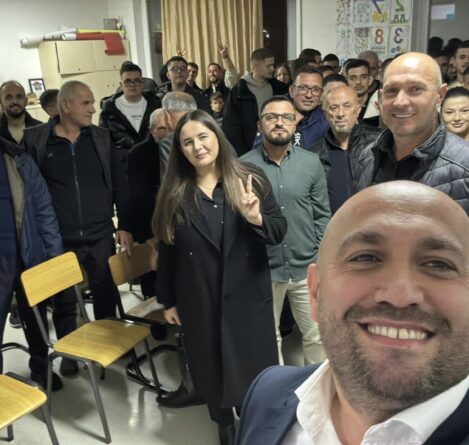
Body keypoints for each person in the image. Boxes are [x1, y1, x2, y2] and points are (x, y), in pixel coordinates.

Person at [236, 181, 469, 445]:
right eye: (365, 258)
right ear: (316, 291)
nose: (400, 295)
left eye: (439, 264)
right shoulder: (266, 393)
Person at [153, 109, 286, 444]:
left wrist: (256, 218)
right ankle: (224, 424)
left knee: (253, 371)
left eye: (203, 137)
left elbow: (278, 231)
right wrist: (167, 300)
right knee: (211, 368)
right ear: (180, 150)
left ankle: (253, 421)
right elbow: (168, 251)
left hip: (248, 297)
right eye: (187, 142)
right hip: (199, 297)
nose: (197, 147)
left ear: (217, 137)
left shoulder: (249, 178)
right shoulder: (175, 193)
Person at [23, 80, 133, 326]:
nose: (93, 109)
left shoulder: (101, 138)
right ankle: (69, 348)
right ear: (65, 105)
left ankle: (107, 341)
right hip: (58, 238)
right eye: (86, 103)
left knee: (106, 294)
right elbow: (28, 193)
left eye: (92, 103)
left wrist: (125, 225)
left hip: (100, 234)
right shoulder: (36, 140)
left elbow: (119, 183)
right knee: (64, 301)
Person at [241, 96, 330, 365]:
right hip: (263, 270)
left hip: (306, 267)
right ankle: (277, 387)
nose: (279, 123)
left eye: (287, 117)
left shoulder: (311, 163)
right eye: (271, 117)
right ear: (260, 125)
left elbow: (322, 215)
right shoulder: (243, 166)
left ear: (294, 124)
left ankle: (315, 386)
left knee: (316, 336)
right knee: (269, 339)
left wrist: (318, 256)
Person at [353, 52, 469, 213]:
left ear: (440, 95)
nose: (400, 102)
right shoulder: (368, 158)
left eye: (415, 89)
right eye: (392, 90)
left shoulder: (464, 166)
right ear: (380, 98)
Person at [0, 136, 64, 390]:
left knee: (36, 320)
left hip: (27, 255)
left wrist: (55, 255)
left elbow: (44, 210)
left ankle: (41, 367)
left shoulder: (19, 159)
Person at [311, 85, 380, 213]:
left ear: (358, 110)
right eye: (333, 108)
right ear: (326, 114)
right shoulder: (314, 154)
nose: (340, 114)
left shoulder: (379, 144)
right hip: (332, 224)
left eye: (347, 106)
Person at [223, 48, 288, 155]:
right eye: (268, 66)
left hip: (278, 147)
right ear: (255, 67)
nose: (273, 69)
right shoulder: (238, 91)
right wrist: (243, 154)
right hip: (248, 151)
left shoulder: (279, 88)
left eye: (273, 65)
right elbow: (231, 127)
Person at [99, 63, 162, 174]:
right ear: (121, 84)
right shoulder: (109, 109)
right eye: (128, 81)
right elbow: (103, 141)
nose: (133, 85)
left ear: (142, 83)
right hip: (123, 168)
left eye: (137, 81)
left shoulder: (155, 104)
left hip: (154, 164)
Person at [289, 66, 329, 149]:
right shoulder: (276, 117)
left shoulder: (328, 121)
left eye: (315, 89)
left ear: (321, 94)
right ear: (291, 91)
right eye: (303, 88)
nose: (309, 95)